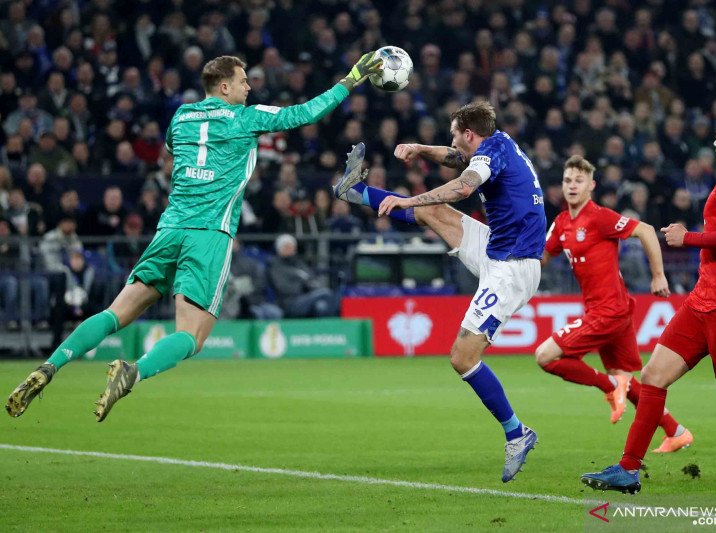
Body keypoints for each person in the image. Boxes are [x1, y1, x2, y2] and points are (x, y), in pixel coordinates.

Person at [6, 52, 383, 422]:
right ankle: (132, 372)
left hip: (169, 229)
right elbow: (305, 113)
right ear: (224, 86)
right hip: (209, 234)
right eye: (243, 80)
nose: (249, 86)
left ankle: (50, 366)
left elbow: (172, 148)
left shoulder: (182, 115)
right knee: (192, 336)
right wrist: (351, 79)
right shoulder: (245, 118)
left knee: (114, 314)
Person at [581, 108, 716, 502]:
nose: (714, 144)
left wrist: (688, 237)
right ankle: (628, 469)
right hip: (706, 301)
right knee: (653, 376)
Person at [333, 101, 546, 482]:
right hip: (499, 245)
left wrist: (408, 199)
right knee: (434, 213)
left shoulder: (488, 154)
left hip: (512, 266)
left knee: (463, 358)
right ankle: (356, 192)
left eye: (453, 134)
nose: (451, 143)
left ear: (469, 133)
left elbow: (464, 185)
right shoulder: (496, 145)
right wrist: (421, 149)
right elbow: (456, 158)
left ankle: (517, 433)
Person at [535, 155, 693, 452]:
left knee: (545, 356)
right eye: (567, 180)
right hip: (610, 311)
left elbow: (645, 230)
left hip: (608, 311)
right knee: (628, 382)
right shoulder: (561, 223)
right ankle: (675, 431)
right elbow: (542, 258)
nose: (572, 185)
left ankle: (608, 386)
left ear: (591, 185)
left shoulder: (599, 217)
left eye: (578, 181)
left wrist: (658, 276)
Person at [269, 234, 337, 318]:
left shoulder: (299, 263)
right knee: (325, 292)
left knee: (321, 306)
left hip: (306, 298)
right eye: (286, 247)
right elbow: (282, 287)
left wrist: (307, 284)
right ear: (279, 249)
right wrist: (302, 284)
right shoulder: (275, 265)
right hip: (288, 302)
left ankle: (326, 329)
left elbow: (311, 279)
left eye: (292, 246)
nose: (290, 249)